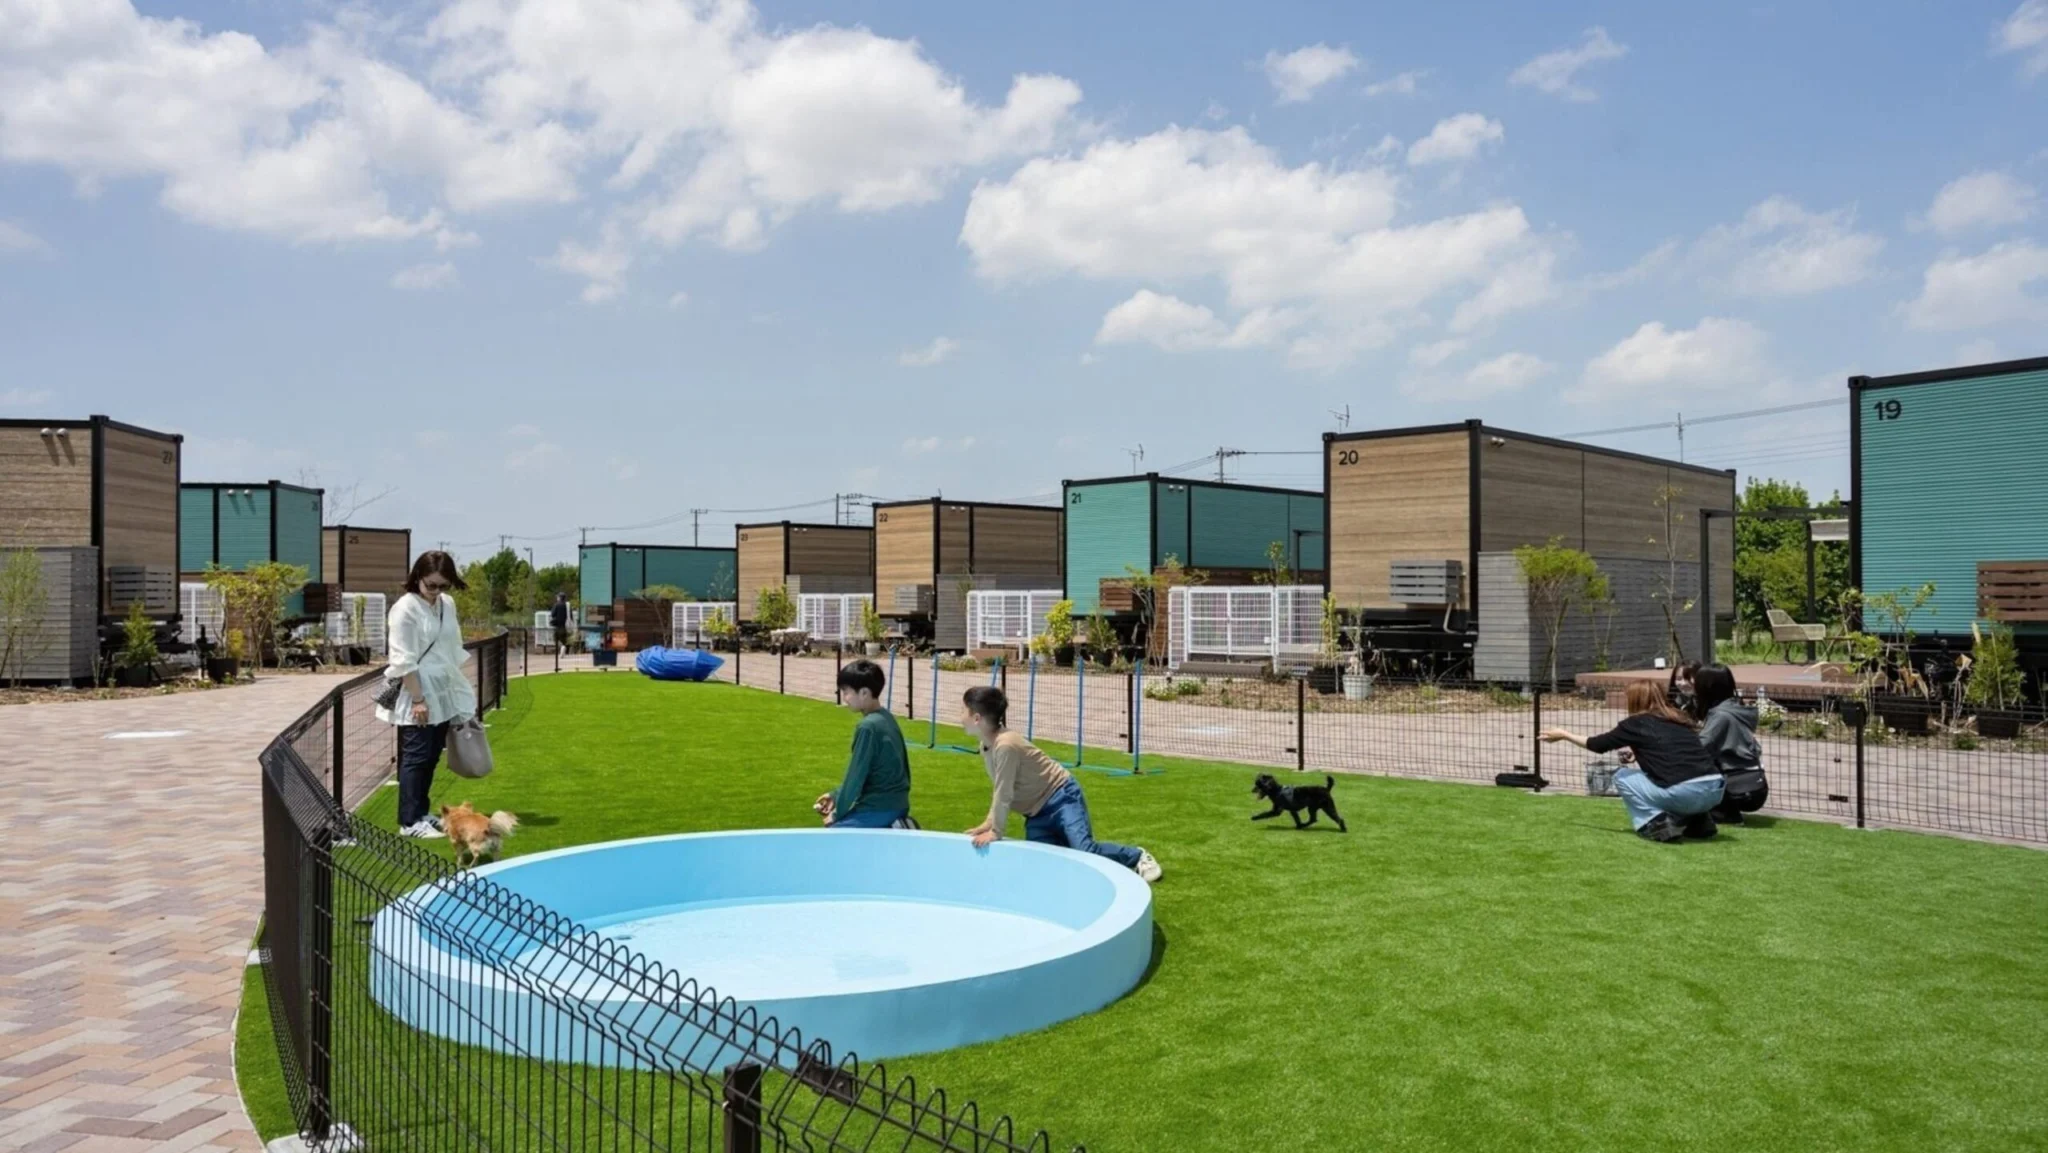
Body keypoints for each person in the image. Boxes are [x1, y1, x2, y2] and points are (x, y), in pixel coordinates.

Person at [960, 686, 1162, 882]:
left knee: (1084, 851)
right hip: (1036, 814)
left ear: (977, 718)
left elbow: (1004, 792)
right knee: (1043, 867)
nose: (960, 716)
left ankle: (1137, 856)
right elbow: (1000, 788)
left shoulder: (1006, 745)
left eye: (963, 711)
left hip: (1062, 797)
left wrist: (996, 831)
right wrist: (989, 822)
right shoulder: (987, 745)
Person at [1541, 680, 1725, 843]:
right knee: (1672, 782)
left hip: (1684, 793)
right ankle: (1698, 821)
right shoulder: (1678, 718)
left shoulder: (1635, 723)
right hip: (1714, 789)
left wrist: (1564, 735)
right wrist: (1638, 754)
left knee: (1622, 776)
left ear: (1636, 699)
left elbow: (1597, 744)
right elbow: (1674, 749)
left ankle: (1656, 824)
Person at [377, 551, 475, 839]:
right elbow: (403, 659)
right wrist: (418, 699)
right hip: (417, 689)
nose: (436, 591)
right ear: (418, 577)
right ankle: (409, 821)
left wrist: (455, 689)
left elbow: (451, 646)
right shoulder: (405, 609)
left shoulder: (447, 604)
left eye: (444, 585)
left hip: (442, 688)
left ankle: (421, 812)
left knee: (431, 755)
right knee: (416, 756)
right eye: (431, 585)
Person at [814, 659, 913, 829]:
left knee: (832, 836)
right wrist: (836, 796)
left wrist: (837, 814)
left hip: (879, 808)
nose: (844, 698)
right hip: (898, 804)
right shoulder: (887, 718)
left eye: (846, 692)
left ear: (864, 693)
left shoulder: (868, 727)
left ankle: (893, 828)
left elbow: (856, 775)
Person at [1692, 664, 1768, 824]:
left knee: (1690, 763)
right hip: (1754, 784)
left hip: (1741, 789)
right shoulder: (1735, 709)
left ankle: (1725, 812)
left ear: (1706, 687)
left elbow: (1700, 747)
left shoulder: (1721, 716)